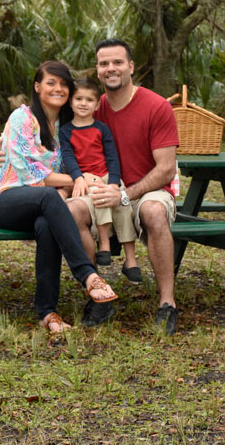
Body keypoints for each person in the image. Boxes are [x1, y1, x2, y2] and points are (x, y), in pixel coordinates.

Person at [0, 61, 118, 333]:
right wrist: (78, 179)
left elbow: (70, 164)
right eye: (51, 83)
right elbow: (31, 173)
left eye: (63, 84)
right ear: (37, 87)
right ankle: (89, 277)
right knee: (50, 197)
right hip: (9, 200)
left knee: (47, 224)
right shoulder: (22, 118)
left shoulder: (67, 125)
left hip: (47, 204)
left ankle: (47, 312)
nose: (58, 88)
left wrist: (77, 180)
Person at [68, 38, 181, 334]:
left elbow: (166, 168)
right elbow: (47, 131)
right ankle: (98, 295)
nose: (111, 68)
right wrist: (5, 140)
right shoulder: (90, 108)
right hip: (101, 190)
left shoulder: (156, 106)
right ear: (97, 69)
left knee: (155, 212)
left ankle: (167, 304)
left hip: (144, 191)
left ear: (130, 67)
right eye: (104, 63)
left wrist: (125, 194)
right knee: (71, 212)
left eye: (118, 62)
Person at [58, 78, 141, 283]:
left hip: (107, 176)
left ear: (97, 105)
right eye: (78, 98)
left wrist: (114, 182)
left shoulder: (102, 128)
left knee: (123, 205)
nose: (83, 103)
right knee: (99, 195)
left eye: (89, 99)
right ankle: (103, 244)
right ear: (71, 102)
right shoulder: (66, 131)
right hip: (86, 179)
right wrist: (77, 178)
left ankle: (131, 259)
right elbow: (68, 158)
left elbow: (112, 156)